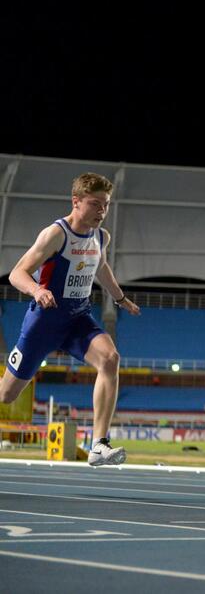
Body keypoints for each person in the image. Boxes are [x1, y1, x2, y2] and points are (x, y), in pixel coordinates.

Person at [0, 172, 140, 466]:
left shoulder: (102, 236)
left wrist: (120, 298)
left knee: (111, 358)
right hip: (44, 323)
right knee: (6, 396)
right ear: (75, 202)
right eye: (95, 204)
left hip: (78, 318)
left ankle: (99, 445)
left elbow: (101, 269)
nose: (102, 211)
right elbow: (16, 273)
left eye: (106, 205)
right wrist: (37, 290)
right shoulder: (56, 234)